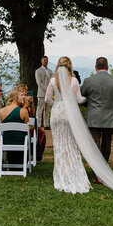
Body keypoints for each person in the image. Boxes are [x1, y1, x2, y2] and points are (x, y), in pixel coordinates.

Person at [45, 56, 90, 193]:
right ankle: (73, 174)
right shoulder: (74, 80)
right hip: (69, 113)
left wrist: (57, 103)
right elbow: (79, 99)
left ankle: (61, 175)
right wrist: (89, 98)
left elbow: (47, 99)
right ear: (70, 66)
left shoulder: (53, 80)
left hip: (57, 113)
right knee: (71, 144)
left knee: (59, 145)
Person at [80, 56, 113, 167]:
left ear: (96, 67)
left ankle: (97, 170)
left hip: (93, 117)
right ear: (107, 67)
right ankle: (104, 169)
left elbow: (80, 98)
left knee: (94, 144)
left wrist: (89, 105)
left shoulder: (88, 81)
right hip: (110, 118)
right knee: (106, 144)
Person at [0, 88, 30, 165]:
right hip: (20, 141)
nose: (23, 97)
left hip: (6, 141)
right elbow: (27, 128)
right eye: (21, 95)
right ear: (15, 98)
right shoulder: (23, 111)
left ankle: (10, 163)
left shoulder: (2, 111)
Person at [35, 56, 51, 128]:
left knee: (47, 110)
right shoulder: (38, 71)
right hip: (41, 93)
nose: (46, 62)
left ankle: (46, 124)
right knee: (40, 109)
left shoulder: (50, 71)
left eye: (47, 60)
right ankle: (38, 124)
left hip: (49, 94)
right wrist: (47, 89)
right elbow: (39, 82)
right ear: (41, 61)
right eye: (44, 60)